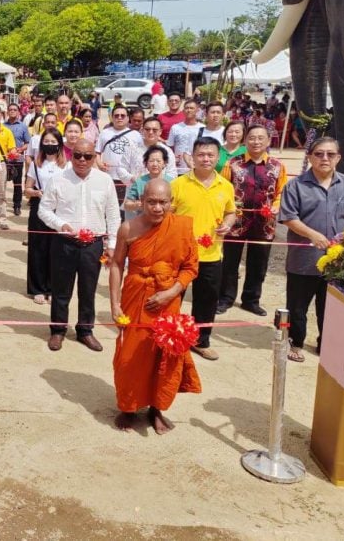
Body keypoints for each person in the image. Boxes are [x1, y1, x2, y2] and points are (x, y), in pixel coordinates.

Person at [110, 179, 201, 434]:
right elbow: (117, 264)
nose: (158, 208)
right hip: (136, 297)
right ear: (142, 201)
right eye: (151, 202)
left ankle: (156, 408)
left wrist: (171, 292)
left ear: (171, 203)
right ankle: (128, 407)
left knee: (164, 356)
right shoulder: (128, 228)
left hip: (168, 300)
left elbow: (191, 267)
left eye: (163, 202)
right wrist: (115, 304)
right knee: (130, 355)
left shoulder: (182, 226)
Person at [278, 138, 344, 362]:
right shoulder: (295, 186)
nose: (324, 158)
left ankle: (325, 343)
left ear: (338, 157)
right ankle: (295, 343)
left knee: (330, 307)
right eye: (318, 154)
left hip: (338, 262)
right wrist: (312, 234)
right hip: (304, 259)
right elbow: (288, 216)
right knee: (297, 307)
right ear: (310, 157)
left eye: (330, 154)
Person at [39, 138, 121, 352]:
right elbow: (44, 210)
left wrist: (112, 244)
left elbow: (113, 215)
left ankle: (85, 330)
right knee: (60, 289)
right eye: (77, 155)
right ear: (71, 155)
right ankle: (58, 330)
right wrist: (61, 224)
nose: (82, 160)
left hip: (93, 245)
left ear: (95, 157)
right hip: (64, 242)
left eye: (87, 156)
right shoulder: (58, 179)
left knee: (88, 289)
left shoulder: (105, 181)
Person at [170, 137, 237, 361]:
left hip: (211, 255)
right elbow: (166, 214)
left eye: (210, 155)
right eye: (201, 154)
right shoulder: (178, 184)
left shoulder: (225, 186)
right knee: (173, 298)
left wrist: (228, 223)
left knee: (206, 300)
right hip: (180, 255)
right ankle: (170, 337)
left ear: (218, 158)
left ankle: (201, 340)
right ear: (193, 157)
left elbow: (231, 212)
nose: (206, 159)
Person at [218, 125, 288, 316]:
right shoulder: (232, 164)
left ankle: (251, 299)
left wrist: (277, 205)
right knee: (230, 262)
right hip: (236, 221)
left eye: (260, 138)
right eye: (251, 138)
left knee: (259, 263)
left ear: (268, 141)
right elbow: (223, 190)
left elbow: (282, 191)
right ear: (245, 141)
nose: (256, 142)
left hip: (264, 223)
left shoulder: (278, 166)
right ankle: (225, 298)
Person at [24, 128, 66, 305]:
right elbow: (26, 190)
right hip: (39, 207)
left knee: (56, 249)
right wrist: (36, 193)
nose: (50, 145)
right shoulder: (36, 164)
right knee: (37, 248)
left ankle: (53, 287)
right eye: (46, 142)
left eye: (53, 142)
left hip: (59, 210)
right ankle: (37, 288)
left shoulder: (67, 165)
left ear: (59, 144)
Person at [96, 107, 144, 209]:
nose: (119, 118)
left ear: (128, 118)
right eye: (116, 115)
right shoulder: (104, 133)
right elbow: (97, 152)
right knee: (110, 206)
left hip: (129, 178)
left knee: (126, 207)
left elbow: (142, 156)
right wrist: (99, 164)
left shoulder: (136, 135)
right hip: (109, 177)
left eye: (123, 115)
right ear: (112, 118)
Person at [123, 145, 171, 220]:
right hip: (144, 223)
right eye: (151, 161)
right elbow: (127, 204)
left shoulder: (172, 182)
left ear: (164, 163)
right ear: (146, 164)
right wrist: (137, 205)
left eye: (158, 161)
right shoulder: (139, 182)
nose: (155, 164)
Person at [4, 103, 31, 217]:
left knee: (17, 184)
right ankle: (0, 205)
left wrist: (19, 150)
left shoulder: (23, 126)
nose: (12, 111)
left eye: (15, 109)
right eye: (10, 109)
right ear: (7, 111)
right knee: (1, 183)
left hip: (18, 160)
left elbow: (28, 142)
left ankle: (17, 205)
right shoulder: (3, 126)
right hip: (5, 159)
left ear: (18, 112)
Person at [167, 98, 205, 175]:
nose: (189, 110)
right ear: (183, 110)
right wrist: (173, 158)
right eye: (186, 108)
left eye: (191, 108)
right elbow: (170, 147)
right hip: (178, 169)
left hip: (196, 168)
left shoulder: (203, 128)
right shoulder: (175, 127)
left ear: (197, 110)